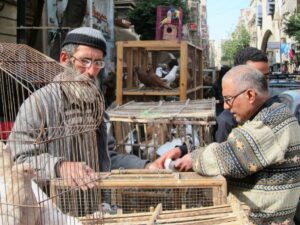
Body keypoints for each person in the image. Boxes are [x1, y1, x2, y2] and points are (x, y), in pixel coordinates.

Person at [151, 65, 300, 224]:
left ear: (250, 95)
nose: (226, 107)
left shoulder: (270, 123)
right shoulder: (271, 114)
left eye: (229, 99)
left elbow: (230, 157)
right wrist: (184, 150)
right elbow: (230, 146)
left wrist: (192, 158)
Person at [8, 27, 149, 190]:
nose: (91, 71)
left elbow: (106, 159)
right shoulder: (40, 103)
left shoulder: (94, 103)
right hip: (51, 209)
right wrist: (59, 166)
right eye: (85, 61)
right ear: (64, 58)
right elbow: (17, 158)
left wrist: (144, 166)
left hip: (91, 205)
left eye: (98, 63)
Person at [215, 47, 270, 142]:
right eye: (256, 77)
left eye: (266, 77)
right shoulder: (227, 121)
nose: (263, 84)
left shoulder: (276, 110)